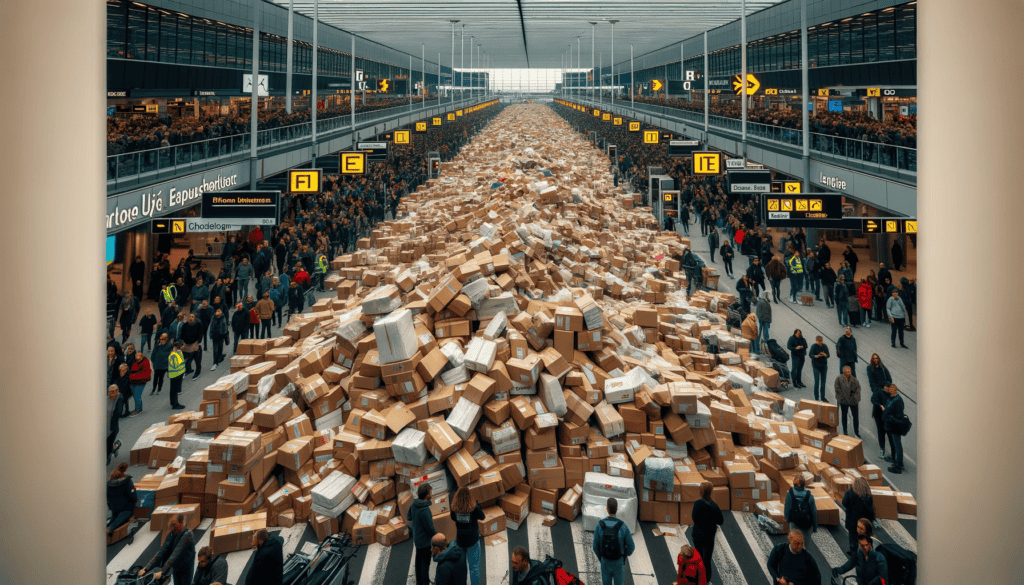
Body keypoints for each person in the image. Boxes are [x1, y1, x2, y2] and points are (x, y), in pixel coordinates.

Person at [139, 513, 195, 585]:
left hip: (186, 568)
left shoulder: (188, 534)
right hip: (176, 566)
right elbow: (162, 550)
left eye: (174, 524)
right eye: (171, 524)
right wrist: (146, 568)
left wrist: (162, 571)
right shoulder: (173, 533)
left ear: (181, 523)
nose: (172, 527)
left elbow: (175, 553)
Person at [592, 497, 635, 585]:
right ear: (617, 509)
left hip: (605, 561)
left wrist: (601, 557)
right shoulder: (622, 526)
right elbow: (631, 547)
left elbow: (595, 546)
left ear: (607, 508)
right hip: (618, 561)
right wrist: (623, 556)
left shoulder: (600, 525)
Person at [450, 486, 485, 585]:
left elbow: (453, 518)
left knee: (461, 567)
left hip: (460, 540)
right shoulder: (474, 508)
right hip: (473, 540)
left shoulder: (454, 508)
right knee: (474, 567)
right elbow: (482, 517)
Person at [690, 483, 723, 583]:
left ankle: (696, 578)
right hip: (708, 536)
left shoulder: (697, 503)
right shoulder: (714, 506)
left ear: (701, 491)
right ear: (711, 492)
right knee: (707, 559)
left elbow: (694, 518)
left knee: (698, 557)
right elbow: (721, 521)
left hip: (697, 535)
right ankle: (706, 580)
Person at [866, 354, 894, 461]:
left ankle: (893, 452)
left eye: (876, 358)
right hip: (878, 410)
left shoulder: (883, 368)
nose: (875, 360)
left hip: (886, 412)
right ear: (872, 360)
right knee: (880, 430)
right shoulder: (870, 369)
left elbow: (889, 379)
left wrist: (886, 385)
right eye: (873, 358)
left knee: (889, 431)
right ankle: (882, 449)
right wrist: (882, 387)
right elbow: (872, 384)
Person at [410, 484, 437, 585]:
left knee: (418, 561)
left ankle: (419, 582)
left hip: (417, 537)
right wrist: (438, 537)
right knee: (426, 562)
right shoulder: (425, 510)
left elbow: (409, 516)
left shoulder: (414, 503)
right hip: (425, 541)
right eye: (430, 492)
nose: (431, 494)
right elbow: (429, 528)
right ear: (426, 496)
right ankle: (425, 582)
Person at [841, 479, 876, 555]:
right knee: (866, 536)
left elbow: (844, 503)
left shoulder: (850, 493)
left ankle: (854, 553)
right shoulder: (868, 495)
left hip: (853, 521)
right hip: (866, 521)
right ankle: (866, 552)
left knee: (853, 537)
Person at [881, 384, 906, 474]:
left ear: (895, 390)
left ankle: (898, 466)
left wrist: (888, 416)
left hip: (895, 426)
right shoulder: (891, 398)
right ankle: (897, 462)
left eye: (892, 388)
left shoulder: (897, 400)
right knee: (896, 445)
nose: (890, 390)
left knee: (897, 446)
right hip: (891, 426)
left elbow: (898, 417)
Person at [107, 463, 137, 535]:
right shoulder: (127, 481)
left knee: (114, 517)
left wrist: (112, 508)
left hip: (115, 509)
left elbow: (108, 499)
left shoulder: (109, 484)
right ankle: (111, 528)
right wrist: (135, 501)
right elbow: (133, 496)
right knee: (124, 516)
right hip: (127, 508)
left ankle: (108, 526)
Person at [835, 366, 862, 437]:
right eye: (846, 372)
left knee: (855, 417)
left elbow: (858, 390)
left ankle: (856, 432)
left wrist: (855, 399)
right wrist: (841, 397)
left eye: (849, 371)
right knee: (844, 416)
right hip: (844, 401)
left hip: (853, 401)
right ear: (843, 372)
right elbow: (837, 388)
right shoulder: (839, 379)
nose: (848, 373)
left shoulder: (855, 380)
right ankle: (845, 431)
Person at [106, 385, 126, 465]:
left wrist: (112, 428)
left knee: (106, 450)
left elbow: (117, 414)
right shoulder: (107, 399)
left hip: (111, 428)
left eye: (115, 391)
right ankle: (115, 446)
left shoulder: (119, 400)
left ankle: (116, 446)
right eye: (111, 391)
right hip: (104, 426)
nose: (113, 393)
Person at [128, 349, 152, 415]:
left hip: (141, 382)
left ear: (142, 356)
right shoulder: (134, 362)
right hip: (133, 382)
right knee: (135, 396)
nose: (137, 357)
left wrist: (133, 376)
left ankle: (138, 410)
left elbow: (145, 374)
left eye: (139, 356)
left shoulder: (145, 362)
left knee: (137, 396)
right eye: (136, 356)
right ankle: (137, 408)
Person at [181, 313, 204, 380]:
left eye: (192, 317)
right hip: (186, 343)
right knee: (186, 359)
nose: (191, 318)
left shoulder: (198, 324)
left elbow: (200, 333)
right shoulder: (185, 325)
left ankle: (197, 372)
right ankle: (187, 371)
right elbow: (182, 333)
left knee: (197, 359)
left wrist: (198, 342)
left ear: (194, 318)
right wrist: (182, 342)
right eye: (190, 316)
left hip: (195, 343)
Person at [809, 336, 830, 402]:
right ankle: (816, 397)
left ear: (822, 340)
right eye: (818, 341)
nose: (819, 342)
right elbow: (810, 354)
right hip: (816, 366)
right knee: (817, 381)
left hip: (823, 366)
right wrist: (815, 356)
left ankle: (823, 397)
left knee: (823, 382)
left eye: (820, 341)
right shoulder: (814, 346)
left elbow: (828, 355)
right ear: (816, 341)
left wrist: (825, 355)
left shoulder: (824, 346)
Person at [168, 341, 186, 410]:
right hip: (176, 374)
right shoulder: (174, 355)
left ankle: (173, 403)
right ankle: (175, 404)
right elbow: (176, 365)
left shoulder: (178, 353)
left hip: (178, 373)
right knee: (174, 390)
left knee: (174, 390)